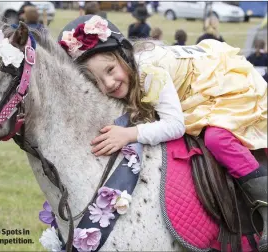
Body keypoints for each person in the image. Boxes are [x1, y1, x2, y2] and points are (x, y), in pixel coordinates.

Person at [58, 15, 267, 251]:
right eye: (98, 81)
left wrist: (129, 134)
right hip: (192, 91)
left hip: (221, 86)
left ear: (124, 55)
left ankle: (266, 207)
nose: (108, 84)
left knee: (216, 139)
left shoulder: (148, 71)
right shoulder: (126, 75)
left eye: (110, 70)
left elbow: (175, 125)